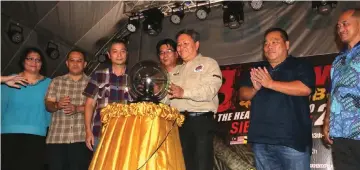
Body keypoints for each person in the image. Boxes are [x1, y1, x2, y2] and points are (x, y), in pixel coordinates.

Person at [238, 28, 315, 170]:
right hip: (261, 141)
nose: (269, 46)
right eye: (266, 43)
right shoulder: (256, 69)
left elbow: (305, 88)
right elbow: (243, 94)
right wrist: (255, 88)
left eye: (275, 42)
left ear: (286, 45)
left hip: (293, 140)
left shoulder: (300, 65)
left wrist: (270, 84)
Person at [168, 29, 223, 170]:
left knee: (202, 165)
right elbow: (165, 99)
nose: (181, 47)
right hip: (177, 125)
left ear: (197, 45)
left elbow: (210, 91)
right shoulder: (173, 72)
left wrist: (184, 92)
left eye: (185, 43)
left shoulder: (209, 63)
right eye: (179, 45)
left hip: (200, 123)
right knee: (182, 165)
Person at [1, 47, 52, 170]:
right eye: (30, 58)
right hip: (8, 134)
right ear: (23, 61)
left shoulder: (50, 83)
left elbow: (51, 110)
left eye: (38, 60)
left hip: (37, 134)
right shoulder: (10, 80)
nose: (34, 62)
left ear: (41, 64)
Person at [322, 9, 360, 170]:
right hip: (341, 134)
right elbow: (332, 93)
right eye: (338, 26)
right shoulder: (338, 61)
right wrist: (327, 120)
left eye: (345, 24)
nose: (341, 29)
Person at [45, 50, 92, 170]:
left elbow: (97, 108)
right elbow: (48, 105)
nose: (75, 64)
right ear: (66, 63)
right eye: (72, 60)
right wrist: (57, 105)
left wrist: (78, 108)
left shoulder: (93, 83)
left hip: (82, 138)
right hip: (57, 139)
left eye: (79, 61)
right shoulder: (56, 81)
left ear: (85, 64)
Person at [83, 39, 131, 152]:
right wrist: (88, 131)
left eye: (122, 51)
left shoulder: (135, 76)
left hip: (127, 135)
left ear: (127, 54)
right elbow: (89, 104)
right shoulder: (98, 75)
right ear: (109, 55)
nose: (119, 55)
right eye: (115, 51)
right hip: (100, 133)